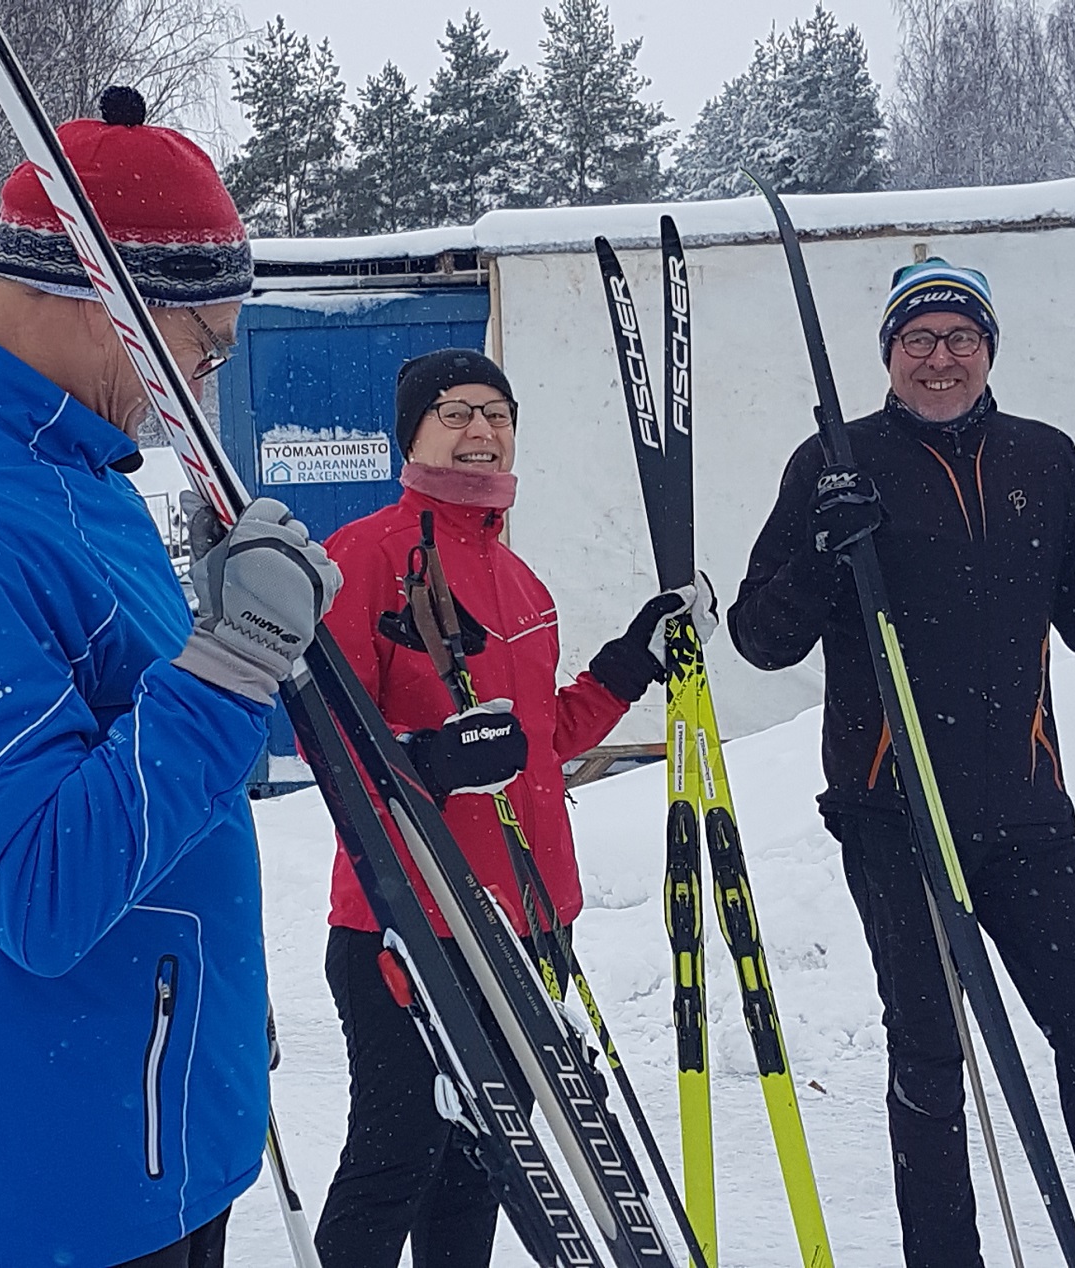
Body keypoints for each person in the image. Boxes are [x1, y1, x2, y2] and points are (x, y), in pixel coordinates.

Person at [0, 88, 343, 1268]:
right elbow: (40, 885)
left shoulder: (71, 467)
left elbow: (146, 751)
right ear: (101, 296)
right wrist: (233, 661)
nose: (198, 393)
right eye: (198, 348)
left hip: (144, 1104)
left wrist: (217, 636)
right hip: (53, 1179)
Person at [728, 259, 1075, 1268]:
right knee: (932, 1056)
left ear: (989, 348)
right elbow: (761, 636)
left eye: (960, 338)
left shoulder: (1045, 457)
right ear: (889, 353)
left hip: (1027, 805)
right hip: (890, 808)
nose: (939, 358)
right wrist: (826, 543)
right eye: (918, 339)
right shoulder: (834, 461)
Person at [308, 348, 714, 1268]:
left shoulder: (521, 582)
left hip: (528, 920)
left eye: (497, 412)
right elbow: (322, 740)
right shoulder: (365, 556)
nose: (481, 430)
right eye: (455, 412)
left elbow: (540, 739)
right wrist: (429, 761)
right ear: (410, 433)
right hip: (409, 921)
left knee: (491, 1169)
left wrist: (629, 662)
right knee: (393, 1160)